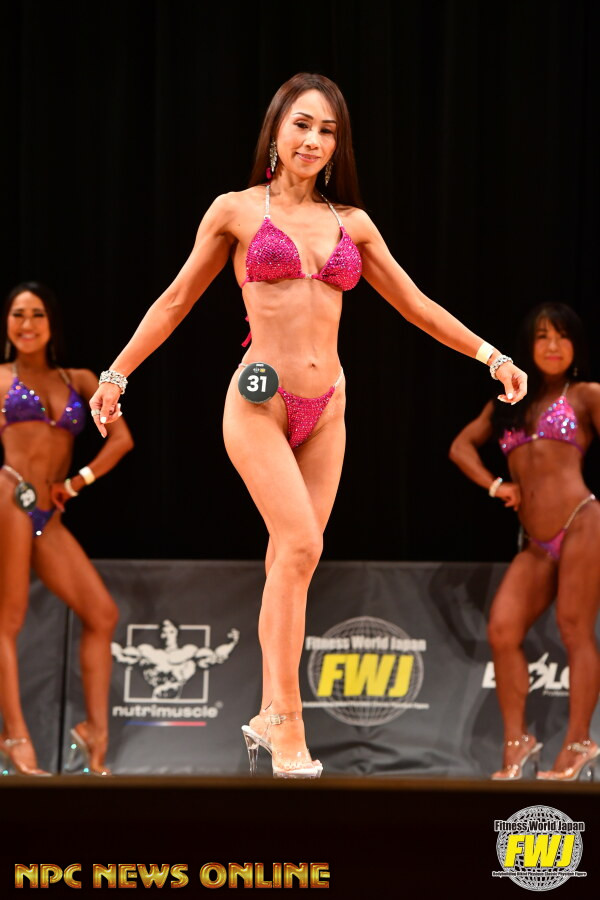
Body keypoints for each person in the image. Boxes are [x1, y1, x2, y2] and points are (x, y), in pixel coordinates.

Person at [90, 72, 526, 778]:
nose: (313, 140)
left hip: (328, 410)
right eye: (302, 124)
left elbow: (416, 304)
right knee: (299, 542)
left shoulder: (352, 223)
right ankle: (289, 724)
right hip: (258, 403)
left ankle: (270, 712)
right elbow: (174, 301)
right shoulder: (235, 211)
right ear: (275, 130)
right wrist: (117, 373)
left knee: (290, 562)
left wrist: (492, 356)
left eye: (327, 130)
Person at [449, 302, 600, 781]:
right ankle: (518, 741)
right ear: (527, 347)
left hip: (582, 521)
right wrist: (497, 486)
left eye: (562, 335)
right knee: (502, 629)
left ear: (575, 346)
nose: (552, 345)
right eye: (541, 336)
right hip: (537, 541)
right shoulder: (508, 404)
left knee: (574, 627)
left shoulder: (587, 395)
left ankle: (578, 743)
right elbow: (460, 447)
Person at [0, 282, 134, 775]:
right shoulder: (1, 379)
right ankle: (16, 738)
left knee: (102, 614)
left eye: (37, 314)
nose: (27, 324)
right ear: (6, 324)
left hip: (49, 514)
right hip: (10, 497)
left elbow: (121, 440)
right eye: (18, 314)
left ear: (51, 323)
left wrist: (76, 483)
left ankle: (95, 732)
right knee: (8, 621)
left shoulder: (78, 380)